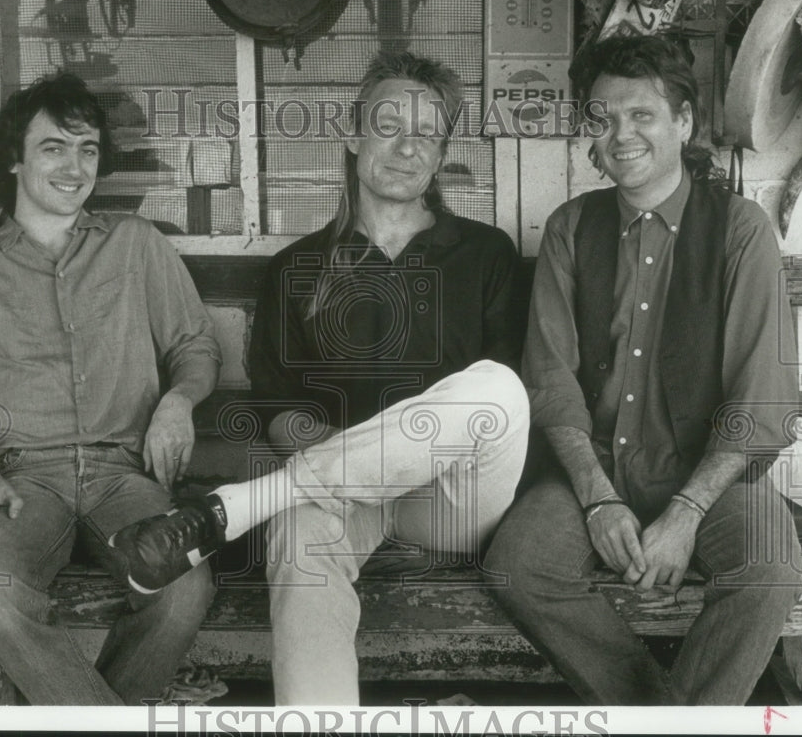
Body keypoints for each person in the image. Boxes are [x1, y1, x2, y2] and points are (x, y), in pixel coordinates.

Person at [112, 50, 530, 704]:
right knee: (299, 534)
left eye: (427, 132)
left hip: (452, 504)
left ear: (442, 150)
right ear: (353, 135)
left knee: (498, 388)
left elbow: (500, 415)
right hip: (341, 502)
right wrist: (361, 468)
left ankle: (231, 511)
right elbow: (284, 416)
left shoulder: (486, 253)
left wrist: (395, 458)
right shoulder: (298, 269)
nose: (407, 146)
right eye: (389, 125)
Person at [483, 35, 802, 705]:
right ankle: (661, 715)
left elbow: (762, 401)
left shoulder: (741, 230)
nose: (619, 134)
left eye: (642, 114)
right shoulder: (571, 228)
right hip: (589, 473)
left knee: (770, 568)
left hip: (710, 478)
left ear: (682, 123)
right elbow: (549, 381)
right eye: (601, 118)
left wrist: (685, 514)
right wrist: (598, 498)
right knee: (519, 567)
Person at [0, 72, 222, 705]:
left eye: (87, 149)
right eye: (54, 147)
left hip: (126, 475)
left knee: (184, 588)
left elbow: (195, 347)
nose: (76, 166)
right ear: (14, 159)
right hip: (26, 480)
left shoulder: (136, 244)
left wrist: (179, 399)